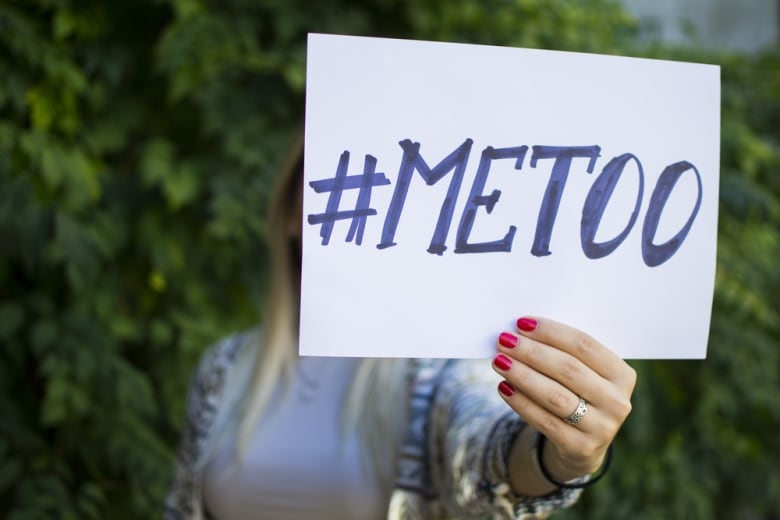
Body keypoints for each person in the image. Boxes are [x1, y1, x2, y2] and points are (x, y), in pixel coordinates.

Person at [164, 134, 636, 519]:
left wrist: (560, 456)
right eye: (337, 188)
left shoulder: (437, 364)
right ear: (290, 213)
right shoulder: (225, 365)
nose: (361, 214)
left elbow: (481, 459)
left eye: (383, 195)